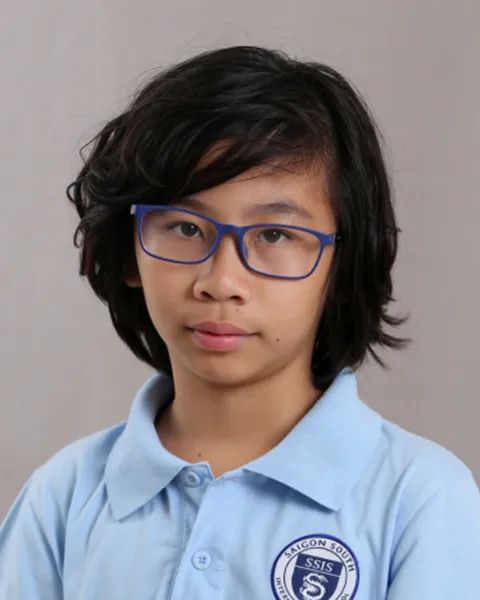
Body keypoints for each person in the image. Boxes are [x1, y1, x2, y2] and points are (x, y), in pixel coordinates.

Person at [1, 45, 479, 600]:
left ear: (341, 267)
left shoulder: (420, 501)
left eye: (275, 234)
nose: (221, 281)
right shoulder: (62, 497)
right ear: (129, 252)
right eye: (184, 227)